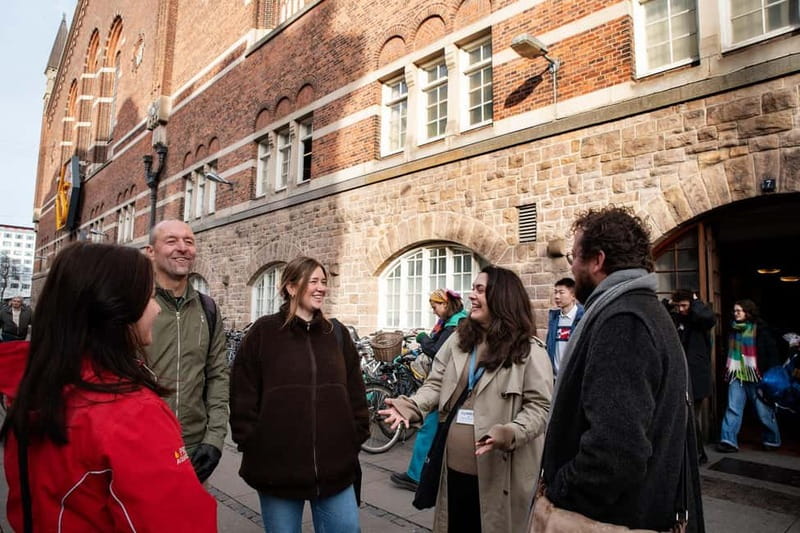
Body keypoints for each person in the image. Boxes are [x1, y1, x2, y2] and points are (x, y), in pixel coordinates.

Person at [1, 242, 216, 531]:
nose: (156, 310)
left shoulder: (33, 386)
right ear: (116, 309)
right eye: (149, 297)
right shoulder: (132, 414)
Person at [537, 206, 704, 532]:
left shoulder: (624, 320)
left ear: (597, 261)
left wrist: (559, 492)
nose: (571, 266)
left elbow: (614, 454)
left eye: (574, 256)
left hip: (612, 520)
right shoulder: (638, 309)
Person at [381, 266, 553, 533]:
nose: (471, 295)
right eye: (473, 288)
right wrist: (411, 406)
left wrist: (510, 432)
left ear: (502, 297)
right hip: (452, 473)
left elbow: (540, 408)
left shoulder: (529, 350)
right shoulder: (459, 340)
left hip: (499, 479)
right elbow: (435, 384)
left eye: (480, 289)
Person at [230, 256, 369, 533]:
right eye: (313, 281)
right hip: (278, 470)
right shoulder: (264, 332)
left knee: (346, 527)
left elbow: (356, 390)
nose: (321, 288)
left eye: (323, 282)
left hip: (335, 467)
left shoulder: (336, 334)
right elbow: (242, 392)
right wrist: (252, 441)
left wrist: (356, 433)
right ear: (291, 288)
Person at [145, 219, 229, 483]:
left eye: (189, 241)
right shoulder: (135, 305)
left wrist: (214, 438)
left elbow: (218, 375)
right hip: (141, 445)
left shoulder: (208, 308)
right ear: (151, 252)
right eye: (171, 241)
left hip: (193, 448)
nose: (182, 248)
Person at [390, 288, 468, 491]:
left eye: (435, 306)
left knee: (429, 428)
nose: (433, 311)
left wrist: (423, 338)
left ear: (446, 304)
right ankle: (424, 474)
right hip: (446, 384)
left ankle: (417, 476)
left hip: (447, 385)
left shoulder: (454, 326)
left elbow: (436, 350)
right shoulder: (452, 322)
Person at [717, 299, 782, 452]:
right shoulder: (733, 329)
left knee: (763, 411)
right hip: (736, 375)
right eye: (734, 311)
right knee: (733, 408)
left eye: (738, 311)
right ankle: (728, 440)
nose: (735, 313)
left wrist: (768, 375)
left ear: (748, 312)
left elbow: (772, 354)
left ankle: (772, 440)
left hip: (757, 377)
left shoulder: (761, 330)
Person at [668, 289, 716, 464]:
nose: (681, 309)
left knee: (690, 417)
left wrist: (695, 302)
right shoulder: (678, 318)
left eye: (684, 305)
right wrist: (669, 304)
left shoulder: (699, 319)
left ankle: (697, 454)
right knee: (685, 417)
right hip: (681, 375)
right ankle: (694, 453)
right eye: (678, 306)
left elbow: (708, 318)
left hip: (696, 377)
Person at [545, 278, 584, 377]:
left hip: (574, 377)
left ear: (573, 295)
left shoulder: (583, 317)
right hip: (554, 378)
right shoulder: (553, 318)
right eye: (555, 292)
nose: (557, 296)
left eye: (561, 292)